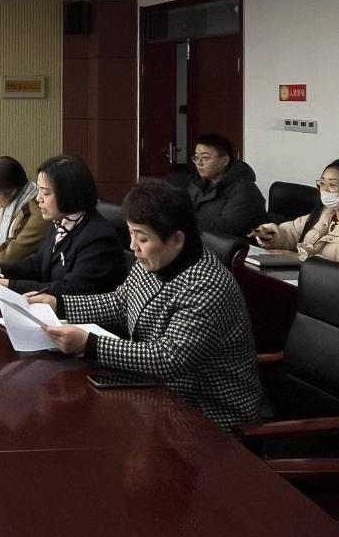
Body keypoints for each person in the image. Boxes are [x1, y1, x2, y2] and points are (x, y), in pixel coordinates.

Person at [31, 180, 263, 431]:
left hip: (209, 417)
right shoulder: (156, 260)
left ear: (176, 239)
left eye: (142, 238)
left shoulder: (206, 285)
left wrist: (89, 344)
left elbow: (169, 357)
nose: (133, 246)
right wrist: (59, 304)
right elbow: (121, 302)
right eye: (131, 234)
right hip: (156, 396)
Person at [0, 156, 125, 296]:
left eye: (46, 193)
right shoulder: (61, 222)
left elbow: (71, 289)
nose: (38, 198)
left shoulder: (98, 239)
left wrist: (11, 285)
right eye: (39, 190)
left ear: (68, 193)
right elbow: (38, 262)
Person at [251, 159, 339, 262]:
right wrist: (269, 234)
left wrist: (298, 258)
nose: (324, 189)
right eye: (322, 183)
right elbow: (290, 232)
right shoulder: (323, 214)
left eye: (332, 184)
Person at [187, 133, 266, 237]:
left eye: (205, 158)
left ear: (225, 161)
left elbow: (228, 227)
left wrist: (186, 219)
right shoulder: (198, 182)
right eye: (196, 157)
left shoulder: (245, 190)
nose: (199, 163)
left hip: (239, 244)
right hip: (201, 239)